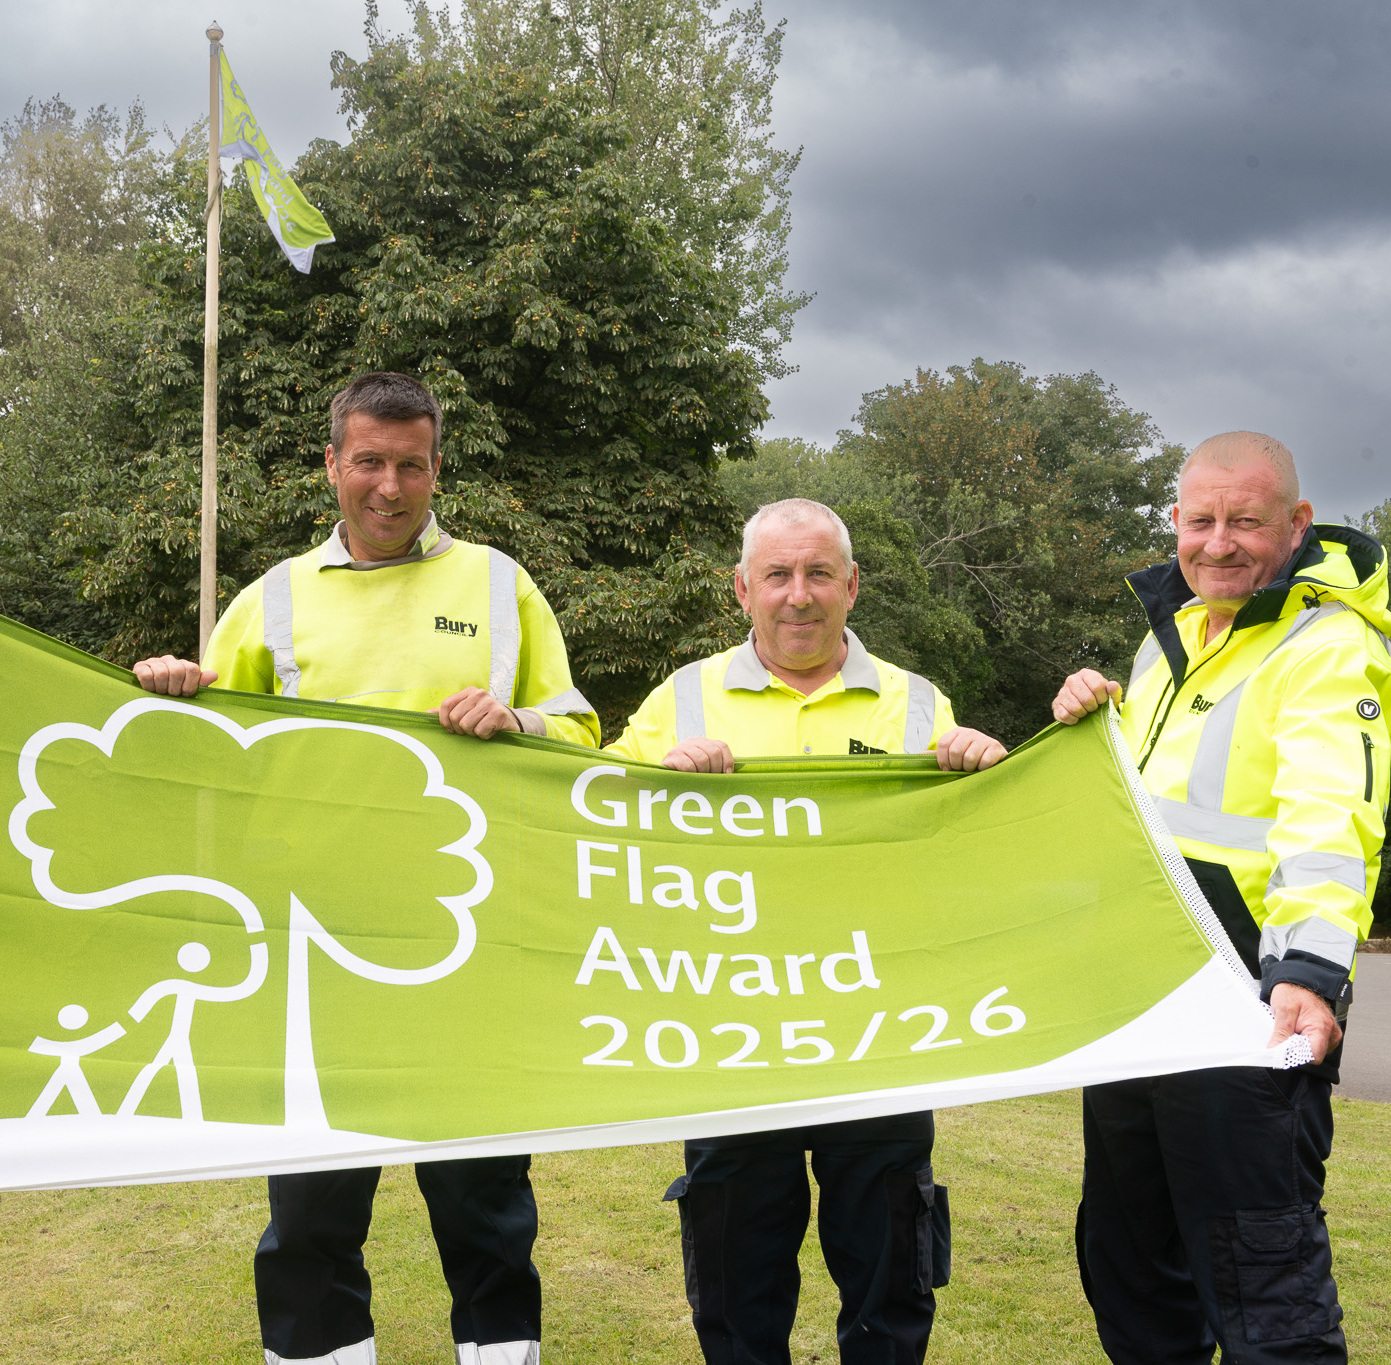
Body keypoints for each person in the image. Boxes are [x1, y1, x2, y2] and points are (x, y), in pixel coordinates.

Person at [132, 370, 598, 1365]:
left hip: (471, 946)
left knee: (483, 1200)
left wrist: (517, 718)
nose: (390, 487)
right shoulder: (271, 603)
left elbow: (580, 735)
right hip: (312, 950)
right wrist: (170, 696)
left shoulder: (500, 585)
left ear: (437, 468)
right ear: (331, 465)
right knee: (310, 1206)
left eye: (412, 465)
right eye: (369, 464)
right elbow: (208, 758)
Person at [608, 497, 1007, 1365]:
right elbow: (598, 835)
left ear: (852, 586)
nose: (799, 595)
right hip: (731, 1032)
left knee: (888, 1271)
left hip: (877, 1025)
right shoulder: (679, 701)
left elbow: (961, 852)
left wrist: (981, 773)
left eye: (819, 573)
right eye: (779, 575)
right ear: (742, 588)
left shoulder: (916, 704)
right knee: (735, 1272)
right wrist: (664, 787)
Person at [1050, 431, 1391, 1364]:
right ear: (1174, 522)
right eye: (1200, 520)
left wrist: (1312, 973)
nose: (1218, 542)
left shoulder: (1326, 644)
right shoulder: (1174, 637)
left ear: (1295, 523)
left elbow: (1330, 817)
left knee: (1260, 1277)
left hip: (1252, 1000)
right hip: (1144, 992)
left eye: (1244, 521)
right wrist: (1101, 714)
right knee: (1129, 1261)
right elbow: (1169, 801)